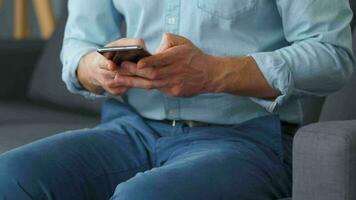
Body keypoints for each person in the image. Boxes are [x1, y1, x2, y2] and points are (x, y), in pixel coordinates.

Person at [0, 0, 354, 199]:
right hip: (131, 128)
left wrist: (217, 72)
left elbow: (334, 56)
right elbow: (78, 47)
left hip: (248, 139)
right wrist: (96, 68)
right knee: (9, 176)